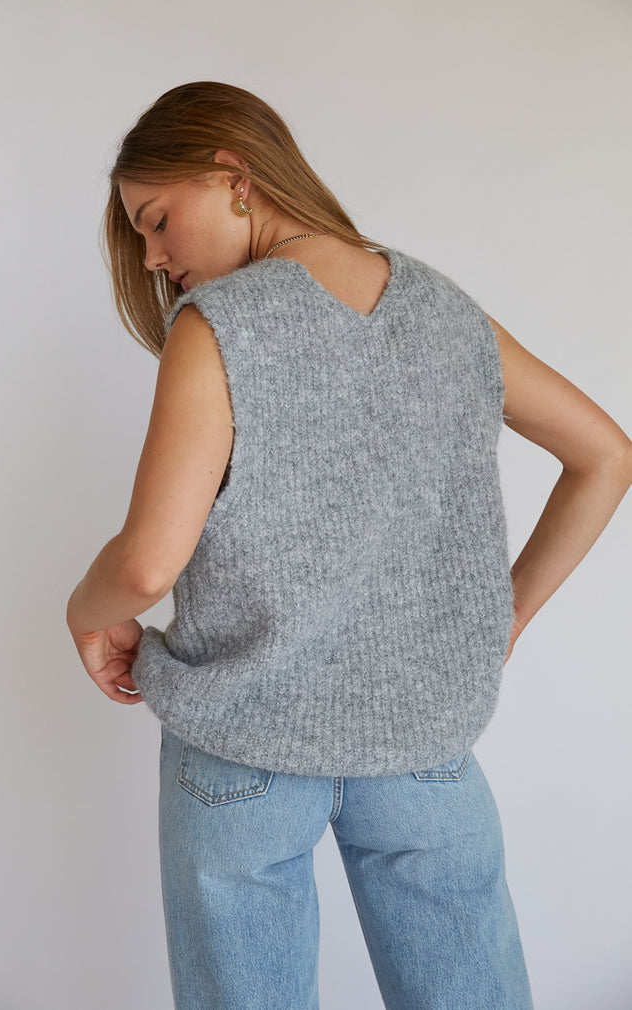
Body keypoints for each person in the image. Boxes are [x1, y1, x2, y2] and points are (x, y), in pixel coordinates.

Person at [66, 81, 632, 1010]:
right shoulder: (446, 312)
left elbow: (145, 565)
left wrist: (85, 614)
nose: (154, 256)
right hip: (423, 746)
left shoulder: (218, 327)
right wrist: (507, 616)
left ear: (233, 174)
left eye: (156, 220)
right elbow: (606, 455)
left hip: (239, 746)